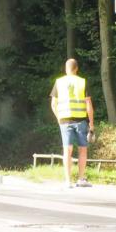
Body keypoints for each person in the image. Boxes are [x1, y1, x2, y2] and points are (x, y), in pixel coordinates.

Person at [50, 59, 95, 189]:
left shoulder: (59, 82)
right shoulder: (82, 82)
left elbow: (53, 104)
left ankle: (68, 181)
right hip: (81, 120)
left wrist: (58, 118)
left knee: (67, 150)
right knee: (82, 149)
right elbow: (89, 105)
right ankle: (81, 179)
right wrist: (91, 124)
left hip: (64, 120)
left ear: (66, 68)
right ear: (77, 69)